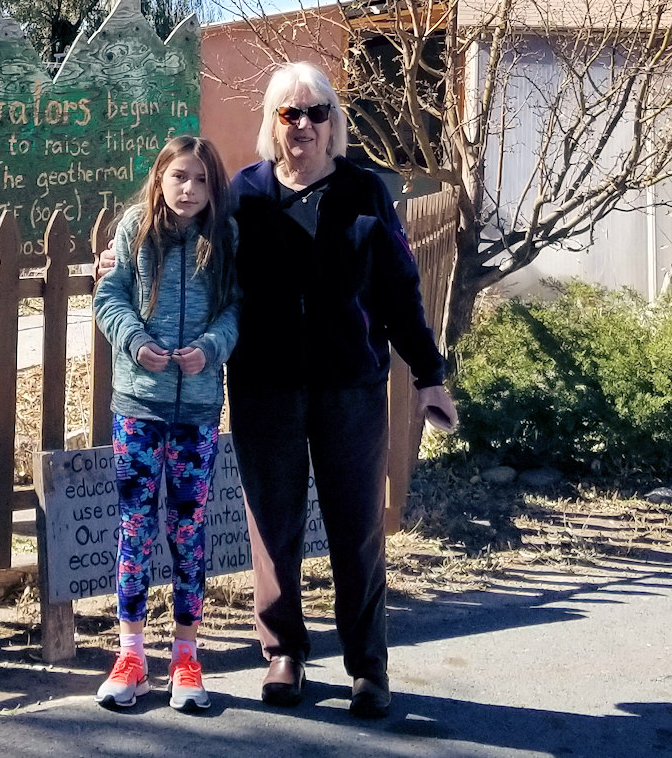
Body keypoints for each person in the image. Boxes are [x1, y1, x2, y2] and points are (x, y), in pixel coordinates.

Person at [227, 62, 455, 719]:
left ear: (335, 121)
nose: (303, 125)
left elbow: (399, 286)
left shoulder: (365, 191)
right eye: (288, 113)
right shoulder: (244, 194)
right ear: (273, 122)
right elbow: (189, 253)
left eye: (316, 111)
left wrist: (430, 374)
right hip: (264, 384)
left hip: (350, 383)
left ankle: (367, 663)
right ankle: (284, 651)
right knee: (274, 524)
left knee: (357, 525)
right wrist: (126, 260)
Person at [90, 135, 239, 713]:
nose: (189, 189)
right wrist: (133, 340)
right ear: (160, 178)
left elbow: (235, 308)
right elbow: (109, 295)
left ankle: (186, 656)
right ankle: (130, 655)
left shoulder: (223, 237)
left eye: (201, 180)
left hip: (198, 411)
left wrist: (212, 347)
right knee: (135, 529)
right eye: (179, 176)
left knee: (186, 530)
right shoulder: (134, 231)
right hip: (138, 409)